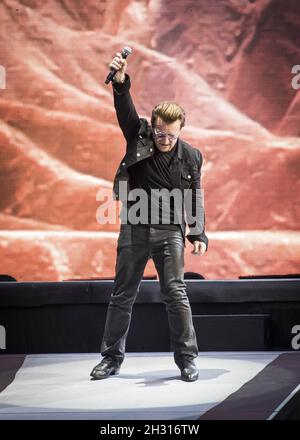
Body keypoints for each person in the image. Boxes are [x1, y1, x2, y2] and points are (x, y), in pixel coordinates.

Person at [90, 52, 208, 382]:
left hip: (170, 231)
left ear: (181, 129)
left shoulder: (192, 156)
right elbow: (124, 108)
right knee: (122, 294)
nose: (164, 140)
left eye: (171, 135)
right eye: (160, 133)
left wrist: (197, 233)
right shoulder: (139, 135)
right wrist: (120, 81)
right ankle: (111, 359)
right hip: (135, 228)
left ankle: (187, 359)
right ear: (152, 127)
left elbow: (193, 195)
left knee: (175, 292)